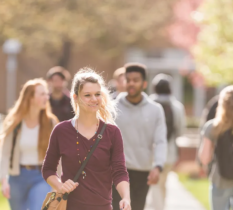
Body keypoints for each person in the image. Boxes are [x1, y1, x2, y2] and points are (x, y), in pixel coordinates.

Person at [42, 68, 131, 210]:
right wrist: (60, 185)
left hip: (102, 206)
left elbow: (119, 171)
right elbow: (48, 169)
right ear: (75, 97)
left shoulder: (112, 132)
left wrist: (125, 197)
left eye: (97, 94)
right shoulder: (61, 130)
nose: (94, 99)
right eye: (87, 95)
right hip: (69, 205)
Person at [113, 63, 167, 210]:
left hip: (142, 171)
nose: (131, 83)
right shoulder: (112, 107)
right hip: (116, 170)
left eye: (135, 80)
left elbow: (160, 141)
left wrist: (158, 165)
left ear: (144, 83)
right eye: (128, 79)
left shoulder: (155, 110)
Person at [0, 78, 58, 210]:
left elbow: (57, 154)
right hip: (17, 176)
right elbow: (5, 154)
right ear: (30, 98)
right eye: (42, 94)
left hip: (41, 176)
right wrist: (4, 180)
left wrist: (58, 182)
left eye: (47, 94)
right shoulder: (15, 122)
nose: (46, 97)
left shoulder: (51, 123)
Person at [147, 73, 186, 210]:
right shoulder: (177, 107)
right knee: (161, 183)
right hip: (169, 153)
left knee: (154, 184)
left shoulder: (147, 103)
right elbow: (181, 131)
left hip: (148, 152)